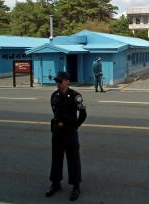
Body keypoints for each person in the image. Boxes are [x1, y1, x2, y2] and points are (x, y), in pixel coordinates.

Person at [45, 71, 87, 201]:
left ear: (67, 81)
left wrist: (75, 126)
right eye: (57, 81)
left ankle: (76, 186)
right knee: (56, 158)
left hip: (70, 133)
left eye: (60, 81)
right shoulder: (54, 96)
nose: (58, 83)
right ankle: (55, 183)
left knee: (73, 159)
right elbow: (55, 113)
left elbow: (83, 114)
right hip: (57, 132)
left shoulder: (76, 96)